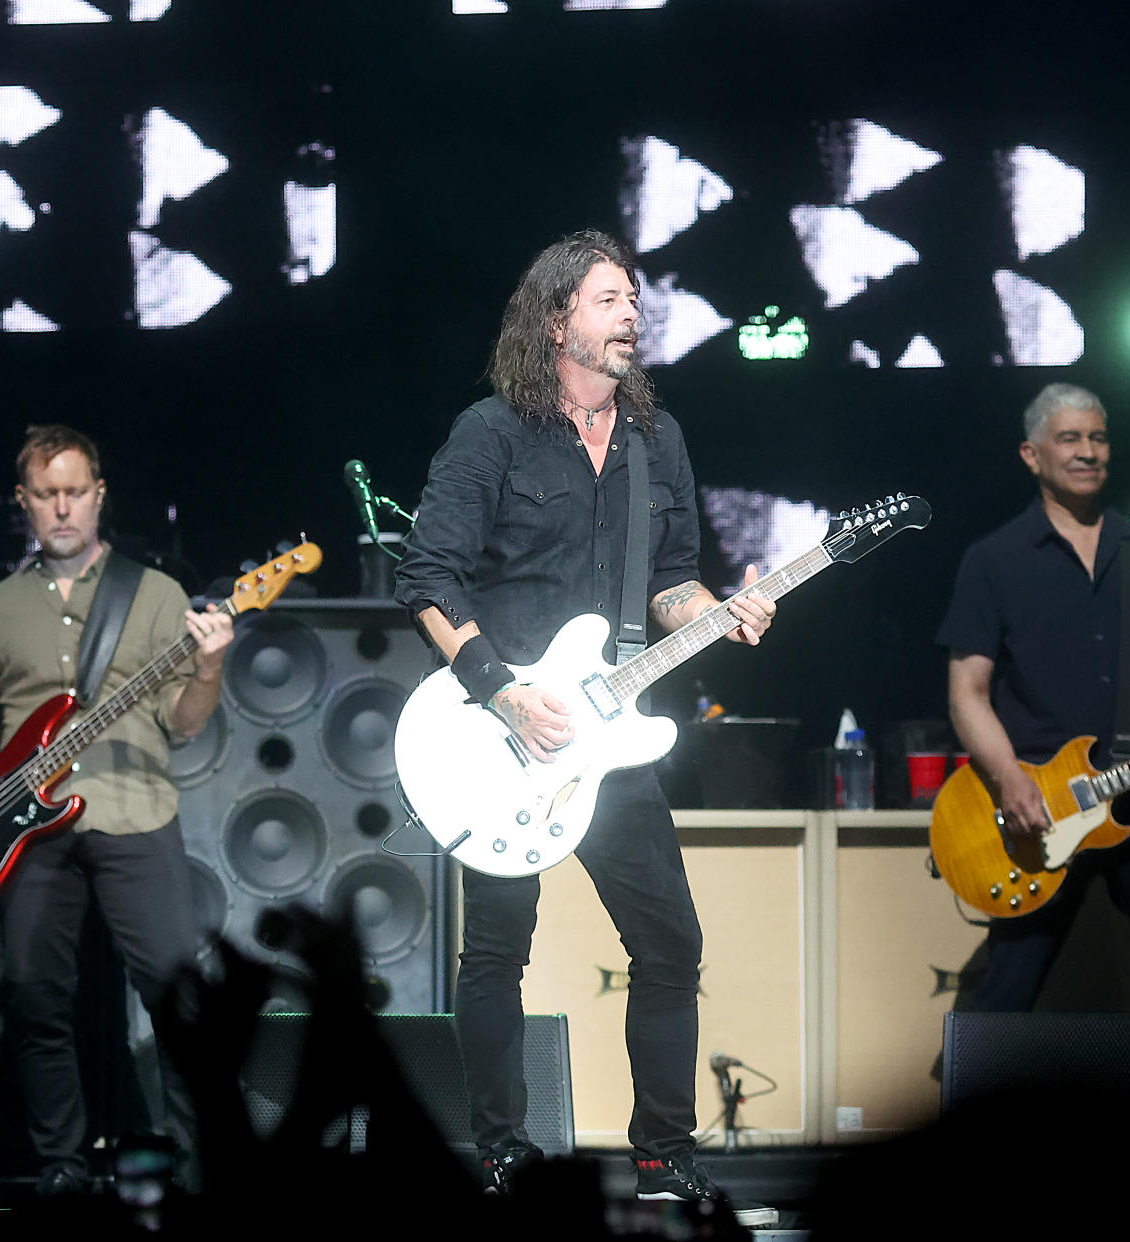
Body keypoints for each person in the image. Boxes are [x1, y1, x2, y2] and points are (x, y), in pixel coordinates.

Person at [393, 230, 778, 1225]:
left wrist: (718, 613)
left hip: (612, 737)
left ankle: (665, 1158)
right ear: (560, 318)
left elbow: (670, 583)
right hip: (503, 733)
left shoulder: (661, 440)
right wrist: (504, 694)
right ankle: (505, 1155)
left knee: (671, 946)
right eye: (612, 300)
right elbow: (427, 575)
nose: (633, 316)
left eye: (634, 301)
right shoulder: (493, 433)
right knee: (496, 955)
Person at [0, 424, 233, 1195]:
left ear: (99, 497)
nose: (63, 509)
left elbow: (183, 725)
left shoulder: (152, 594)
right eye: (47, 495)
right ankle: (61, 1167)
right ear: (24, 503)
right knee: (34, 995)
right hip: (26, 832)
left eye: (75, 493)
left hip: (135, 812)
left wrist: (211, 665)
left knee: (176, 993)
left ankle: (193, 1179)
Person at [935, 382, 1130, 1013]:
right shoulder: (994, 561)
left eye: (1098, 438)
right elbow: (968, 692)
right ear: (1031, 455)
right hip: (1040, 806)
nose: (1088, 452)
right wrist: (1010, 781)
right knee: (1005, 995)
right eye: (1069, 438)